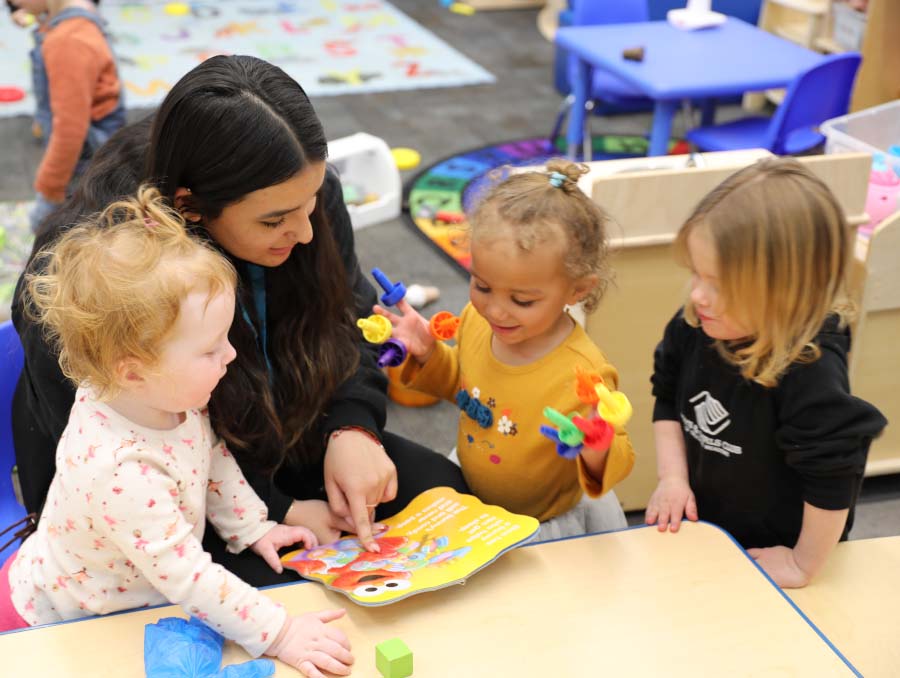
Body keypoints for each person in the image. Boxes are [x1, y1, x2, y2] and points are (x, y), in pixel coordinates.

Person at [11, 55, 468, 587]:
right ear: (191, 207)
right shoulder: (95, 278)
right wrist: (278, 509)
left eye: (312, 202)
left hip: (280, 439)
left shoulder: (295, 196)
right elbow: (138, 462)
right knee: (284, 601)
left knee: (443, 493)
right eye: (274, 220)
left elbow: (350, 317)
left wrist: (354, 426)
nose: (305, 233)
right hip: (154, 500)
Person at [1, 188, 354, 678]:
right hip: (59, 623)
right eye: (210, 350)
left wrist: (251, 526)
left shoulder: (165, 396)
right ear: (132, 371)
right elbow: (190, 580)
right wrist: (282, 632)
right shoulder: (119, 469)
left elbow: (210, 455)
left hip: (129, 601)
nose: (230, 356)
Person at [644, 158, 887, 588]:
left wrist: (802, 563)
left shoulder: (810, 368)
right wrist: (673, 479)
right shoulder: (695, 324)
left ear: (786, 291)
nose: (698, 294)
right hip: (713, 532)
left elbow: (834, 476)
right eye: (696, 274)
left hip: (782, 552)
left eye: (718, 283)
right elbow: (666, 398)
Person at [374, 160, 635, 541]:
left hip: (543, 524)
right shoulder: (479, 322)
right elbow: (460, 387)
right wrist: (430, 354)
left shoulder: (583, 372)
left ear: (577, 290)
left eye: (522, 300)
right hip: (473, 492)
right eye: (481, 286)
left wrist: (597, 446)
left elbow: (619, 455)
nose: (495, 310)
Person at [10, 0, 124, 231]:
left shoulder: (67, 41)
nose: (10, 5)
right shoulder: (80, 13)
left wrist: (50, 187)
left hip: (81, 160)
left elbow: (70, 131)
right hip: (94, 149)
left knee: (50, 229)